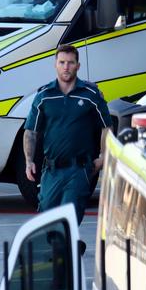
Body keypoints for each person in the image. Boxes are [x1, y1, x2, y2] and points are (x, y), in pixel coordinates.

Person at [24, 44, 111, 224]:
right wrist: (28, 160)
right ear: (55, 64)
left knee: (68, 218)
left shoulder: (91, 94)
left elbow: (106, 128)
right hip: (51, 170)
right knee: (46, 220)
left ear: (78, 66)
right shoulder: (44, 96)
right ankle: (69, 249)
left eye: (71, 63)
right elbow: (30, 132)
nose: (66, 67)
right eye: (62, 62)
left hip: (79, 170)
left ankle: (68, 250)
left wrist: (103, 156)